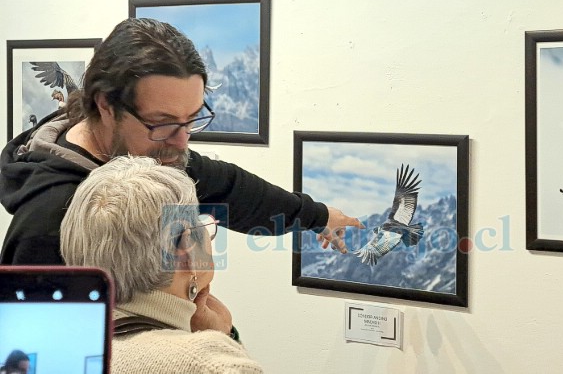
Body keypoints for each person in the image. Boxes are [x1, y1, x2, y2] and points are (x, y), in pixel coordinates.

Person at [0, 17, 363, 265]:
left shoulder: (152, 157)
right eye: (162, 123)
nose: (180, 142)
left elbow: (234, 190)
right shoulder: (49, 218)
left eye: (191, 120)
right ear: (106, 105)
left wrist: (319, 216)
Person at [61, 155, 263, 373]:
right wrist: (223, 338)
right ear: (187, 248)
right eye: (199, 221)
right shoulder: (212, 364)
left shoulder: (55, 345)